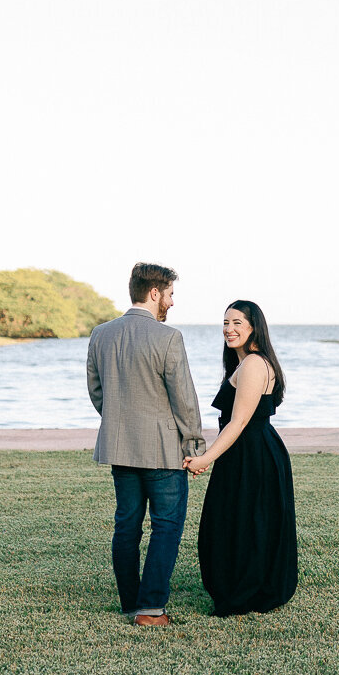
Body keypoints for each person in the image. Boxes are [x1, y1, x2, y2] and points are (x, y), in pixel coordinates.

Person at [86, 262, 207, 627]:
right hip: (162, 451)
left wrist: (120, 422)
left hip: (120, 449)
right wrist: (195, 447)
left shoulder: (101, 334)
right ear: (154, 293)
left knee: (127, 526)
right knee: (166, 527)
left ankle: (130, 603)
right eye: (170, 294)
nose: (172, 302)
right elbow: (184, 399)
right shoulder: (167, 337)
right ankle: (151, 610)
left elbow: (96, 391)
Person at [184, 300, 298, 617]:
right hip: (249, 452)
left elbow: (238, 422)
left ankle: (244, 592)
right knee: (241, 523)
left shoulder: (253, 365)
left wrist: (205, 458)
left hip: (252, 455)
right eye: (225, 323)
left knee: (240, 523)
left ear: (253, 327)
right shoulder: (247, 363)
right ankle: (244, 588)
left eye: (237, 322)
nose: (229, 329)